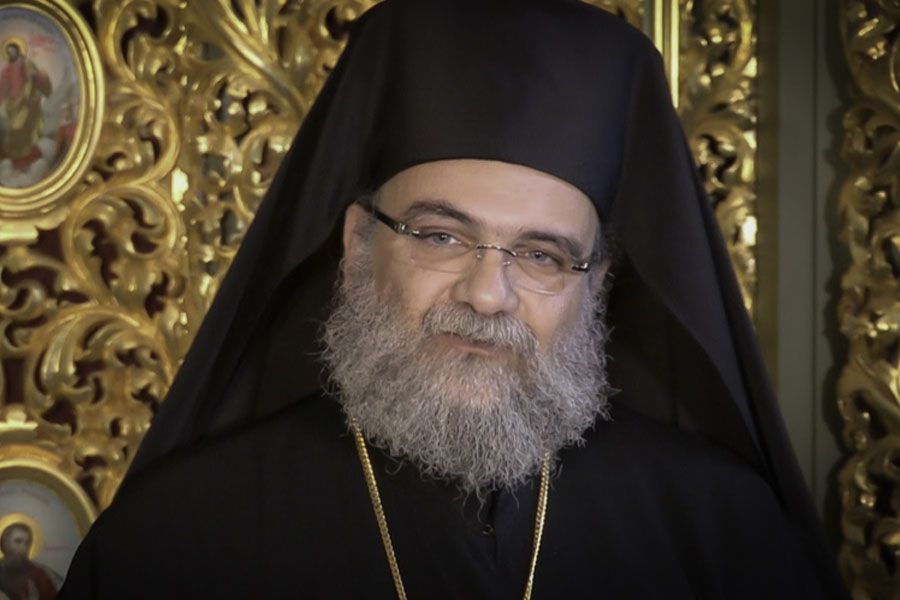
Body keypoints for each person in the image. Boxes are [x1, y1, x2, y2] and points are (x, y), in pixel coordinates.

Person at [60, 0, 848, 597]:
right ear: (358, 245)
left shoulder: (723, 533)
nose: (488, 295)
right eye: (441, 236)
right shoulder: (177, 537)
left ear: (596, 286)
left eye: (541, 255)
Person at [0, 38, 52, 171]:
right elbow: (2, 88)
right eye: (9, 52)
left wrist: (37, 76)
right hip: (12, 104)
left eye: (13, 51)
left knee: (25, 127)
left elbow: (39, 79)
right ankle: (15, 156)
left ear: (19, 51)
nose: (11, 53)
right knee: (13, 129)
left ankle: (27, 156)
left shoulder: (27, 65)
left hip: (28, 102)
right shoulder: (6, 70)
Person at [0, 523, 57, 600]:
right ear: (4, 543)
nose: (23, 548)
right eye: (17, 541)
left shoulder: (40, 577)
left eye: (27, 543)